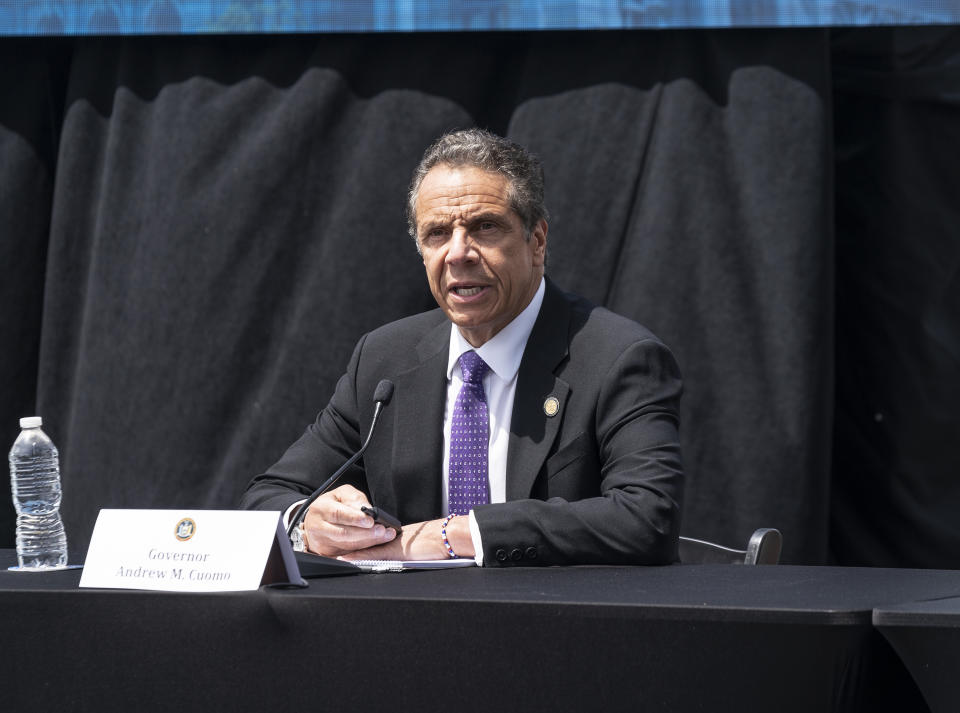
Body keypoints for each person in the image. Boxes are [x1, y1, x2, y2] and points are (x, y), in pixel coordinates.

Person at [241, 128, 684, 566]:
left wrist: (460, 533)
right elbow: (266, 498)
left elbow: (647, 517)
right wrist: (307, 522)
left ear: (538, 242)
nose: (458, 253)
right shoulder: (383, 361)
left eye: (484, 227)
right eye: (437, 234)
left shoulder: (619, 358)